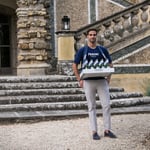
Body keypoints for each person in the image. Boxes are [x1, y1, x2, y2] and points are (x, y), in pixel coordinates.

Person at [72, 28, 117, 140]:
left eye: (94, 35)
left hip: (102, 81)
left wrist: (108, 78)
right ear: (87, 37)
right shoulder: (82, 50)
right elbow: (75, 65)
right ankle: (94, 131)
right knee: (91, 107)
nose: (92, 36)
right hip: (88, 81)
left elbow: (110, 64)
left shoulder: (102, 50)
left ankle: (107, 130)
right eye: (90, 35)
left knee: (106, 105)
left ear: (96, 36)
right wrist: (79, 79)